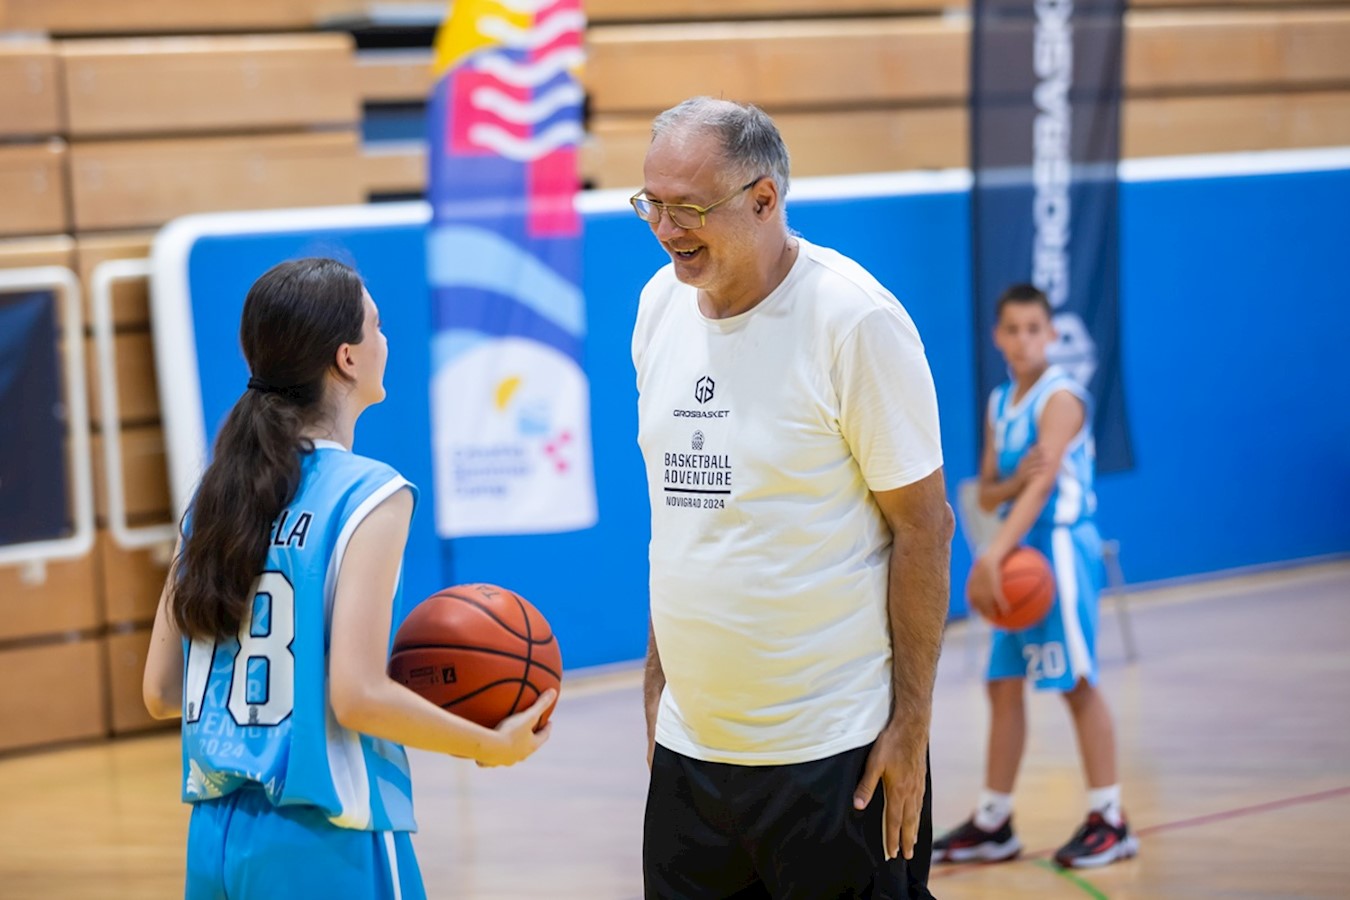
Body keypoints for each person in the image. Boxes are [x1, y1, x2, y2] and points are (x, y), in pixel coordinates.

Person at [142, 258, 554, 900]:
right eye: (377, 327)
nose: (385, 341)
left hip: (214, 843)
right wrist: (488, 744)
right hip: (326, 839)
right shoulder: (371, 493)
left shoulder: (214, 497)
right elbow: (357, 697)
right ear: (348, 360)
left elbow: (161, 691)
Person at [630, 97, 953, 899]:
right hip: (692, 758)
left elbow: (925, 528)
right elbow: (680, 527)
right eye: (652, 205)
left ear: (765, 199)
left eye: (689, 209)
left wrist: (911, 725)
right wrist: (655, 689)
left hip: (834, 760)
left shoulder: (854, 321)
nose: (667, 229)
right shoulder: (656, 308)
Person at [933, 284, 1138, 869]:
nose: (1023, 339)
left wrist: (993, 553)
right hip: (1016, 544)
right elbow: (990, 486)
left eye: (1034, 329)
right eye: (1012, 329)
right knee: (1001, 684)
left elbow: (1040, 484)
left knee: (1076, 680)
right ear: (998, 336)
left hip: (1060, 546)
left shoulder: (1063, 398)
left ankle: (1111, 817)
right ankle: (995, 823)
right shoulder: (1001, 402)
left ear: (1051, 334)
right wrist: (1005, 514)